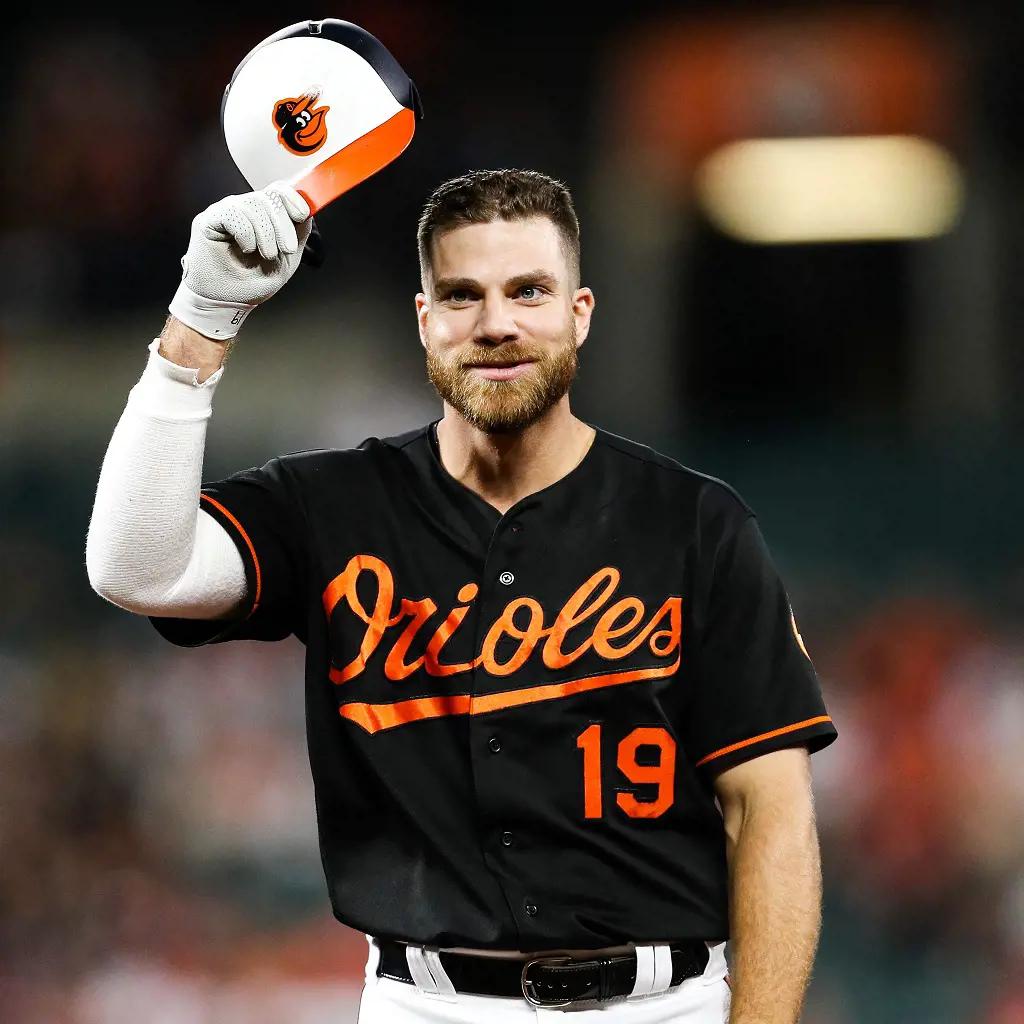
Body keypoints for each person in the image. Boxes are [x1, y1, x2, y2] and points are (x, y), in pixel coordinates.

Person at [86, 168, 837, 1023]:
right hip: (424, 1004)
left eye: (529, 291)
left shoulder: (695, 524)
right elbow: (135, 568)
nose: (497, 324)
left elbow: (769, 812)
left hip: (665, 1005)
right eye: (461, 295)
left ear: (580, 313)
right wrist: (202, 319)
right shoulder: (334, 506)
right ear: (424, 321)